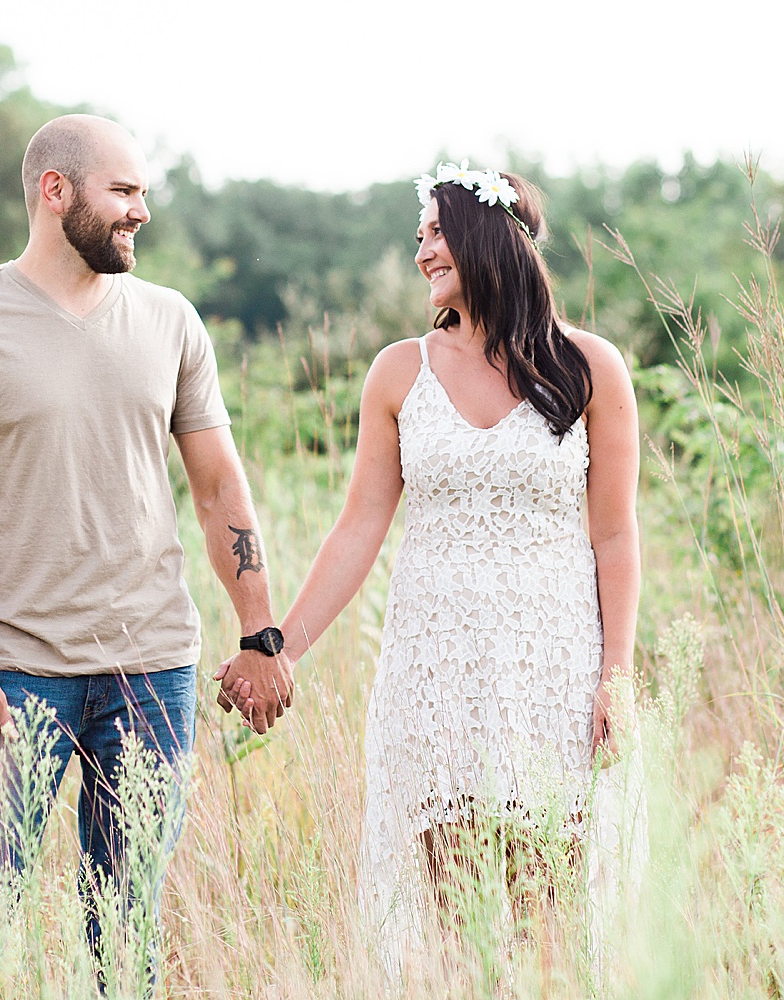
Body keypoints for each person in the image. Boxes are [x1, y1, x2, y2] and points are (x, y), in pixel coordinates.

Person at [0, 114, 294, 972]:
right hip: (12, 675)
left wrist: (261, 633)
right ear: (55, 191)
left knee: (124, 935)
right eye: (123, 191)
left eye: (142, 193)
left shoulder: (171, 321)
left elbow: (219, 484)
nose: (141, 212)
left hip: (149, 670)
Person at [224, 162, 640, 964]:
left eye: (436, 233)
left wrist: (614, 674)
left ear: (490, 237)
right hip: (437, 667)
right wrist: (275, 647)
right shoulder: (398, 371)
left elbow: (615, 535)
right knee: (456, 917)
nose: (421, 254)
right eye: (418, 238)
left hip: (552, 663)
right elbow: (358, 527)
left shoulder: (589, 367)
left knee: (546, 912)